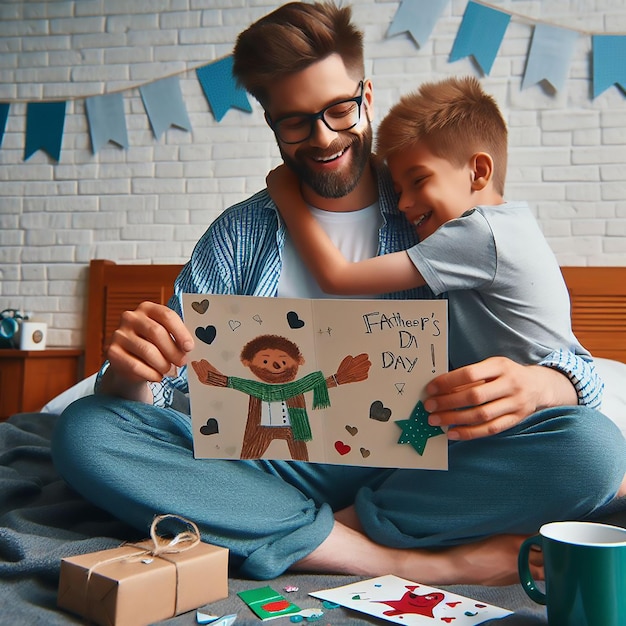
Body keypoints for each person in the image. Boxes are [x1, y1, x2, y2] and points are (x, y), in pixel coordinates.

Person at [52, 1, 626, 586]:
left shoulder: (435, 216)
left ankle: (294, 532)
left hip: (416, 463)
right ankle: (395, 558)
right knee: (87, 431)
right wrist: (129, 373)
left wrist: (544, 383)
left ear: (367, 96)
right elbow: (168, 389)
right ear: (272, 123)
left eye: (338, 109)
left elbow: (562, 357)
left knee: (593, 450)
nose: (323, 137)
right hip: (270, 468)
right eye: (296, 121)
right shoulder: (238, 235)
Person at [266, 75, 586, 370]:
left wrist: (288, 197)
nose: (403, 203)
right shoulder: (512, 225)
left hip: (542, 423)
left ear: (479, 172)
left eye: (419, 180)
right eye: (397, 190)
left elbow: (338, 278)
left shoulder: (478, 235)